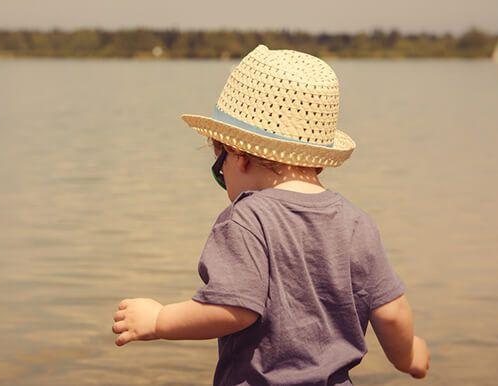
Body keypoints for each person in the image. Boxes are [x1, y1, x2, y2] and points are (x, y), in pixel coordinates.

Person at [111, 44, 430, 385]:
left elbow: (234, 309)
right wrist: (409, 356)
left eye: (219, 164)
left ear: (238, 155)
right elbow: (392, 313)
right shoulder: (356, 223)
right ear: (319, 161)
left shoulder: (246, 219)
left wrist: (159, 319)